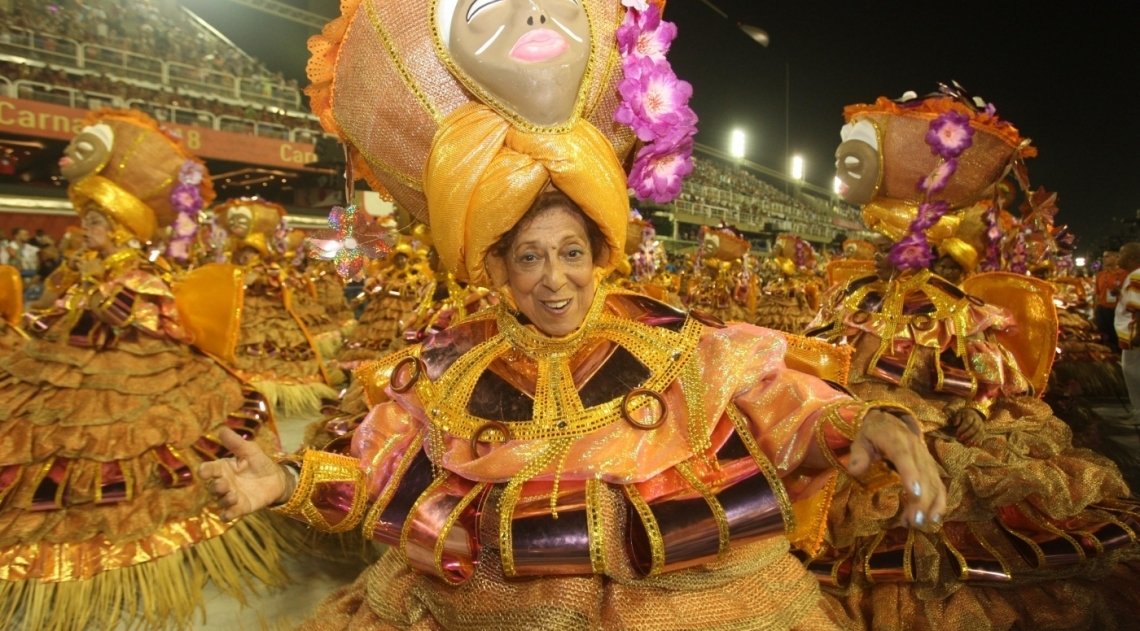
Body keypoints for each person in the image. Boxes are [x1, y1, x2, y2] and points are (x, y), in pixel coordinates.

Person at [200, 2, 945, 629]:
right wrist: (284, 481)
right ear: (497, 269)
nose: (554, 279)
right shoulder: (448, 368)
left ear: (601, 255)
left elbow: (782, 402)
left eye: (570, 254)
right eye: (529, 258)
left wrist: (866, 421)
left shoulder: (674, 344)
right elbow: (372, 470)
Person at [0, 109, 289, 630]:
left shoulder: (139, 276)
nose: (84, 229)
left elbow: (164, 326)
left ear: (119, 227)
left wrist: (108, 308)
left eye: (94, 221)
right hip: (71, 381)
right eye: (85, 219)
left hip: (141, 382)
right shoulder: (87, 270)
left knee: (125, 457)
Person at [1114, 242, 1140, 415]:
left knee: (1132, 372)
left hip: (1134, 333)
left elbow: (1138, 308)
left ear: (1131, 258)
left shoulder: (1136, 276)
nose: (1118, 257)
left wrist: (1138, 333)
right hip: (1131, 332)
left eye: (1121, 254)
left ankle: (1138, 410)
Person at [1097, 249, 1126, 348]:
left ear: (1116, 257)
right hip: (1103, 310)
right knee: (1105, 336)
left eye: (1107, 256)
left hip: (1119, 310)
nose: (1104, 259)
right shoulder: (1100, 275)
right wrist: (1095, 310)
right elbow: (1097, 294)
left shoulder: (1125, 274)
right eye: (1103, 256)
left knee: (1117, 336)